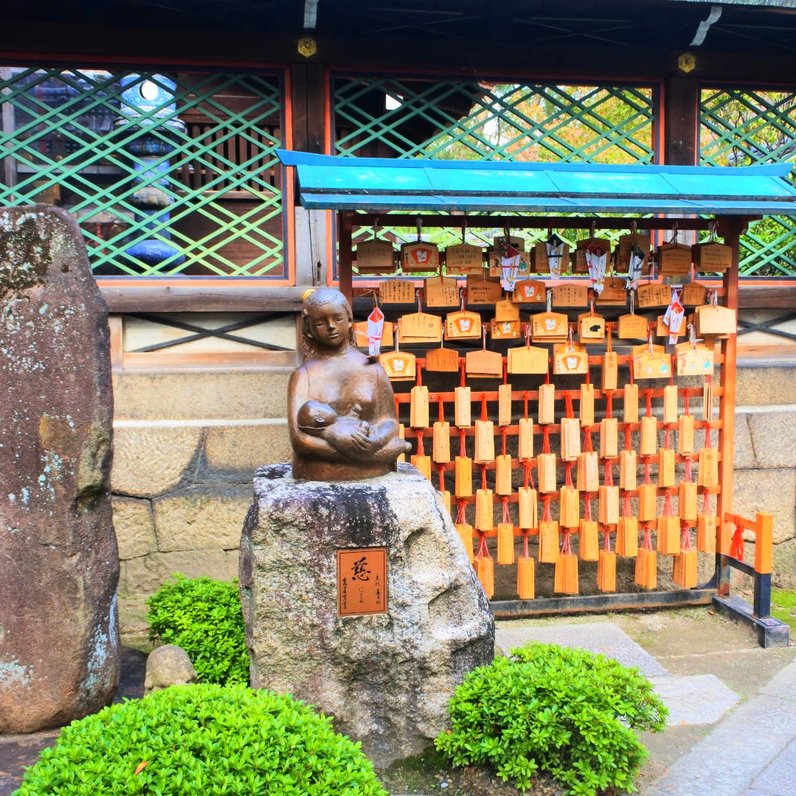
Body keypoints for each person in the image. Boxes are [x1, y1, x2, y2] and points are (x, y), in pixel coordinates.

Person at [288, 287, 410, 480]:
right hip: (319, 471)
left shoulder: (372, 370)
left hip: (373, 464)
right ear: (309, 330)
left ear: (350, 319)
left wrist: (376, 439)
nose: (331, 326)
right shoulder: (304, 375)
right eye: (320, 323)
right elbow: (299, 440)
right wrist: (346, 447)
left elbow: (390, 421)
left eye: (337, 318)